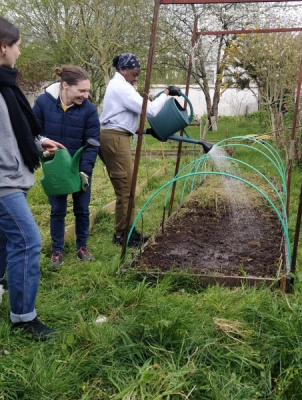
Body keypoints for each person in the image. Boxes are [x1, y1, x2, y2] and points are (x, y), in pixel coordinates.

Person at [0, 16, 65, 340]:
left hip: (13, 176)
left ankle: (2, 289)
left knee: (4, 240)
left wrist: (39, 143)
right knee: (27, 241)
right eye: (18, 46)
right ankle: (24, 319)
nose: (20, 53)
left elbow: (14, 131)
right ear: (3, 47)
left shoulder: (6, 86)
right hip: (3, 184)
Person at [99, 53, 180, 247]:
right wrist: (166, 93)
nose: (136, 79)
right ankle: (122, 235)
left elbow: (120, 118)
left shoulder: (120, 86)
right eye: (134, 74)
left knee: (127, 188)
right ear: (123, 70)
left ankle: (127, 230)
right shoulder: (121, 87)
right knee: (126, 189)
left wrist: (146, 131)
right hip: (115, 139)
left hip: (117, 136)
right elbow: (150, 110)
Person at [33, 66, 100, 267]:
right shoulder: (44, 103)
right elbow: (33, 132)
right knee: (57, 210)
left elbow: (92, 142)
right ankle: (57, 251)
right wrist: (43, 152)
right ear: (65, 86)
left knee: (82, 209)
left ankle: (82, 247)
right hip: (55, 168)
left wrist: (85, 171)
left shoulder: (88, 109)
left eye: (87, 91)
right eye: (81, 90)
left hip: (79, 167)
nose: (85, 95)